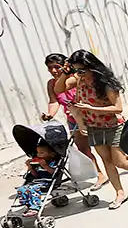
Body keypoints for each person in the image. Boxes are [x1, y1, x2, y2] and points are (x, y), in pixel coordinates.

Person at [63, 50, 128, 211]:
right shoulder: (80, 81)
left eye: (82, 70)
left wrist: (91, 107)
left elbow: (118, 108)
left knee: (119, 161)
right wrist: (65, 72)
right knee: (106, 161)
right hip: (93, 127)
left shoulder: (106, 83)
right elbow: (60, 88)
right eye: (76, 71)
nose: (79, 74)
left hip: (113, 126)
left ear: (92, 67)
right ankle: (119, 192)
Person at [42, 53, 107, 189]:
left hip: (91, 117)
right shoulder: (52, 84)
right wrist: (49, 114)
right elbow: (54, 101)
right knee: (84, 149)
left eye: (56, 67)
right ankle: (100, 174)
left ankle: (124, 161)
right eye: (50, 68)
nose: (53, 71)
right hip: (73, 120)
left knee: (103, 147)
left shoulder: (77, 77)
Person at [15, 142, 59, 217]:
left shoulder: (52, 163)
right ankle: (29, 205)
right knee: (21, 189)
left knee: (31, 189)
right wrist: (30, 167)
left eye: (41, 153)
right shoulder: (37, 163)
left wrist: (45, 166)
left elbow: (54, 173)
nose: (38, 155)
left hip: (47, 181)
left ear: (51, 154)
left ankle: (36, 207)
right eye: (37, 153)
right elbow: (35, 175)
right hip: (37, 181)